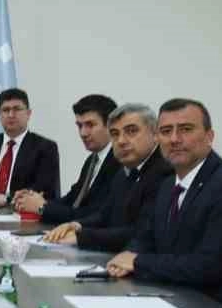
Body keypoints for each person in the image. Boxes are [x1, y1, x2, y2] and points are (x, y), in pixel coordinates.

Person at [106, 98, 222, 308]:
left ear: (209, 137)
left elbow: (207, 266)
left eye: (185, 129)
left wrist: (137, 262)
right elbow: (145, 238)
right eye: (166, 131)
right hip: (176, 297)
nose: (174, 139)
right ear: (157, 138)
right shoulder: (168, 184)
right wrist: (125, 258)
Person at [43, 103, 172, 252]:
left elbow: (141, 231)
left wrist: (82, 237)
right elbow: (105, 214)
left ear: (155, 135)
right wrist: (77, 225)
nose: (121, 141)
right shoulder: (123, 172)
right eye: (115, 134)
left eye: (131, 131)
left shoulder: (165, 173)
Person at [15, 93, 119, 222]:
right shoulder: (92, 160)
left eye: (90, 125)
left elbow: (95, 214)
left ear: (110, 126)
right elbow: (71, 199)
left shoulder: (119, 161)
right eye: (79, 126)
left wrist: (43, 207)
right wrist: (33, 199)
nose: (83, 133)